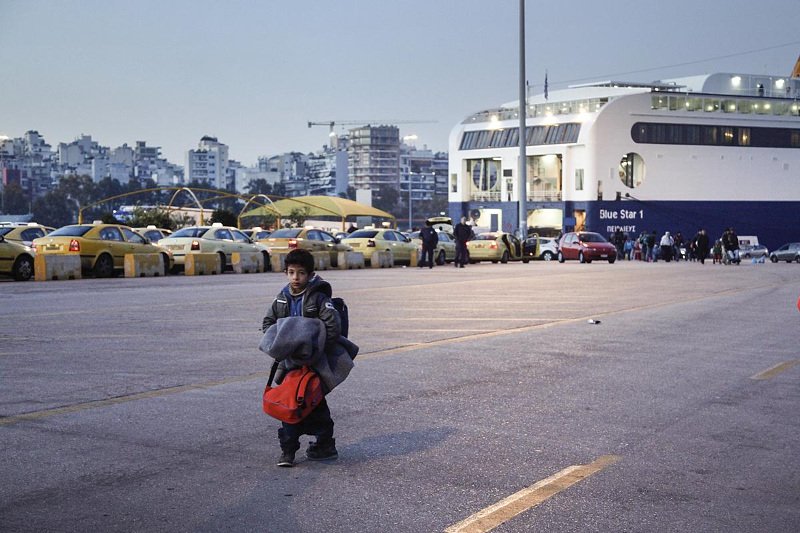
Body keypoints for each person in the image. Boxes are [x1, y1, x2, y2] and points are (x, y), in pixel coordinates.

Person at [261, 249, 341, 467]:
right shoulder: (281, 300)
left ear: (311, 274)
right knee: (290, 404)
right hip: (290, 366)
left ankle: (324, 444)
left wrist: (316, 349)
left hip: (313, 366)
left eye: (301, 273)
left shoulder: (319, 298)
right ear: (285, 273)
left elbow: (333, 326)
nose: (296, 278)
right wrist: (282, 344)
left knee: (315, 403)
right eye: (291, 272)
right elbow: (268, 325)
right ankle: (288, 451)